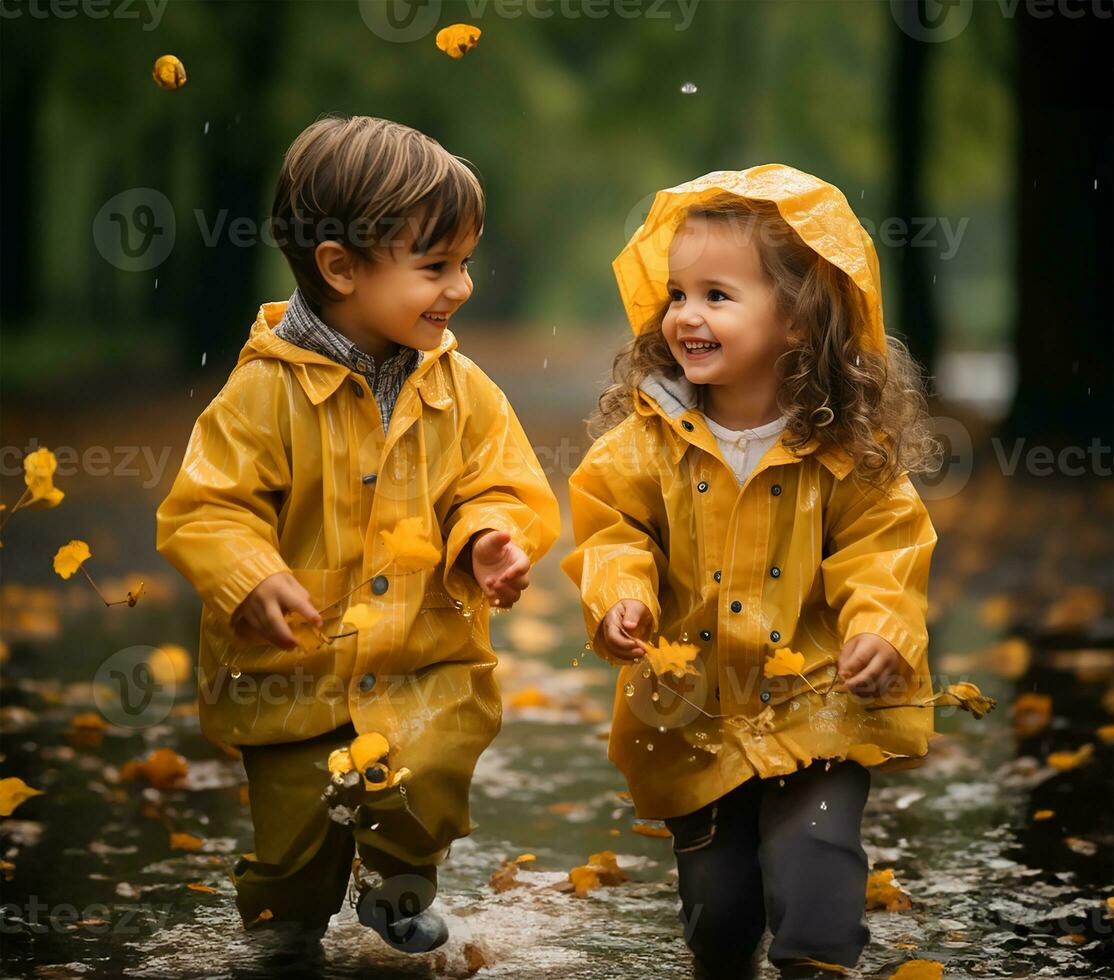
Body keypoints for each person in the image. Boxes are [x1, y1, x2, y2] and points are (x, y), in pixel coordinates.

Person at [156, 114, 559, 954]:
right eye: (436, 267)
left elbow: (501, 478)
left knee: (428, 786)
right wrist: (249, 575)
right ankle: (286, 925)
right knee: (297, 844)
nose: (462, 288)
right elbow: (209, 506)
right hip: (293, 673)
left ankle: (398, 888)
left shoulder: (460, 386)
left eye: (466, 264)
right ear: (340, 268)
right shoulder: (264, 394)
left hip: (425, 654)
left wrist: (489, 533)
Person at [561, 165, 939, 979]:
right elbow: (611, 532)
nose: (686, 316)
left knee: (818, 873)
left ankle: (816, 963)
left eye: (717, 295)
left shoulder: (847, 452)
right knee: (719, 913)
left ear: (799, 320)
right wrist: (621, 594)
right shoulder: (644, 444)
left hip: (820, 707)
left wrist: (879, 627)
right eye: (676, 294)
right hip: (693, 712)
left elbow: (886, 550)